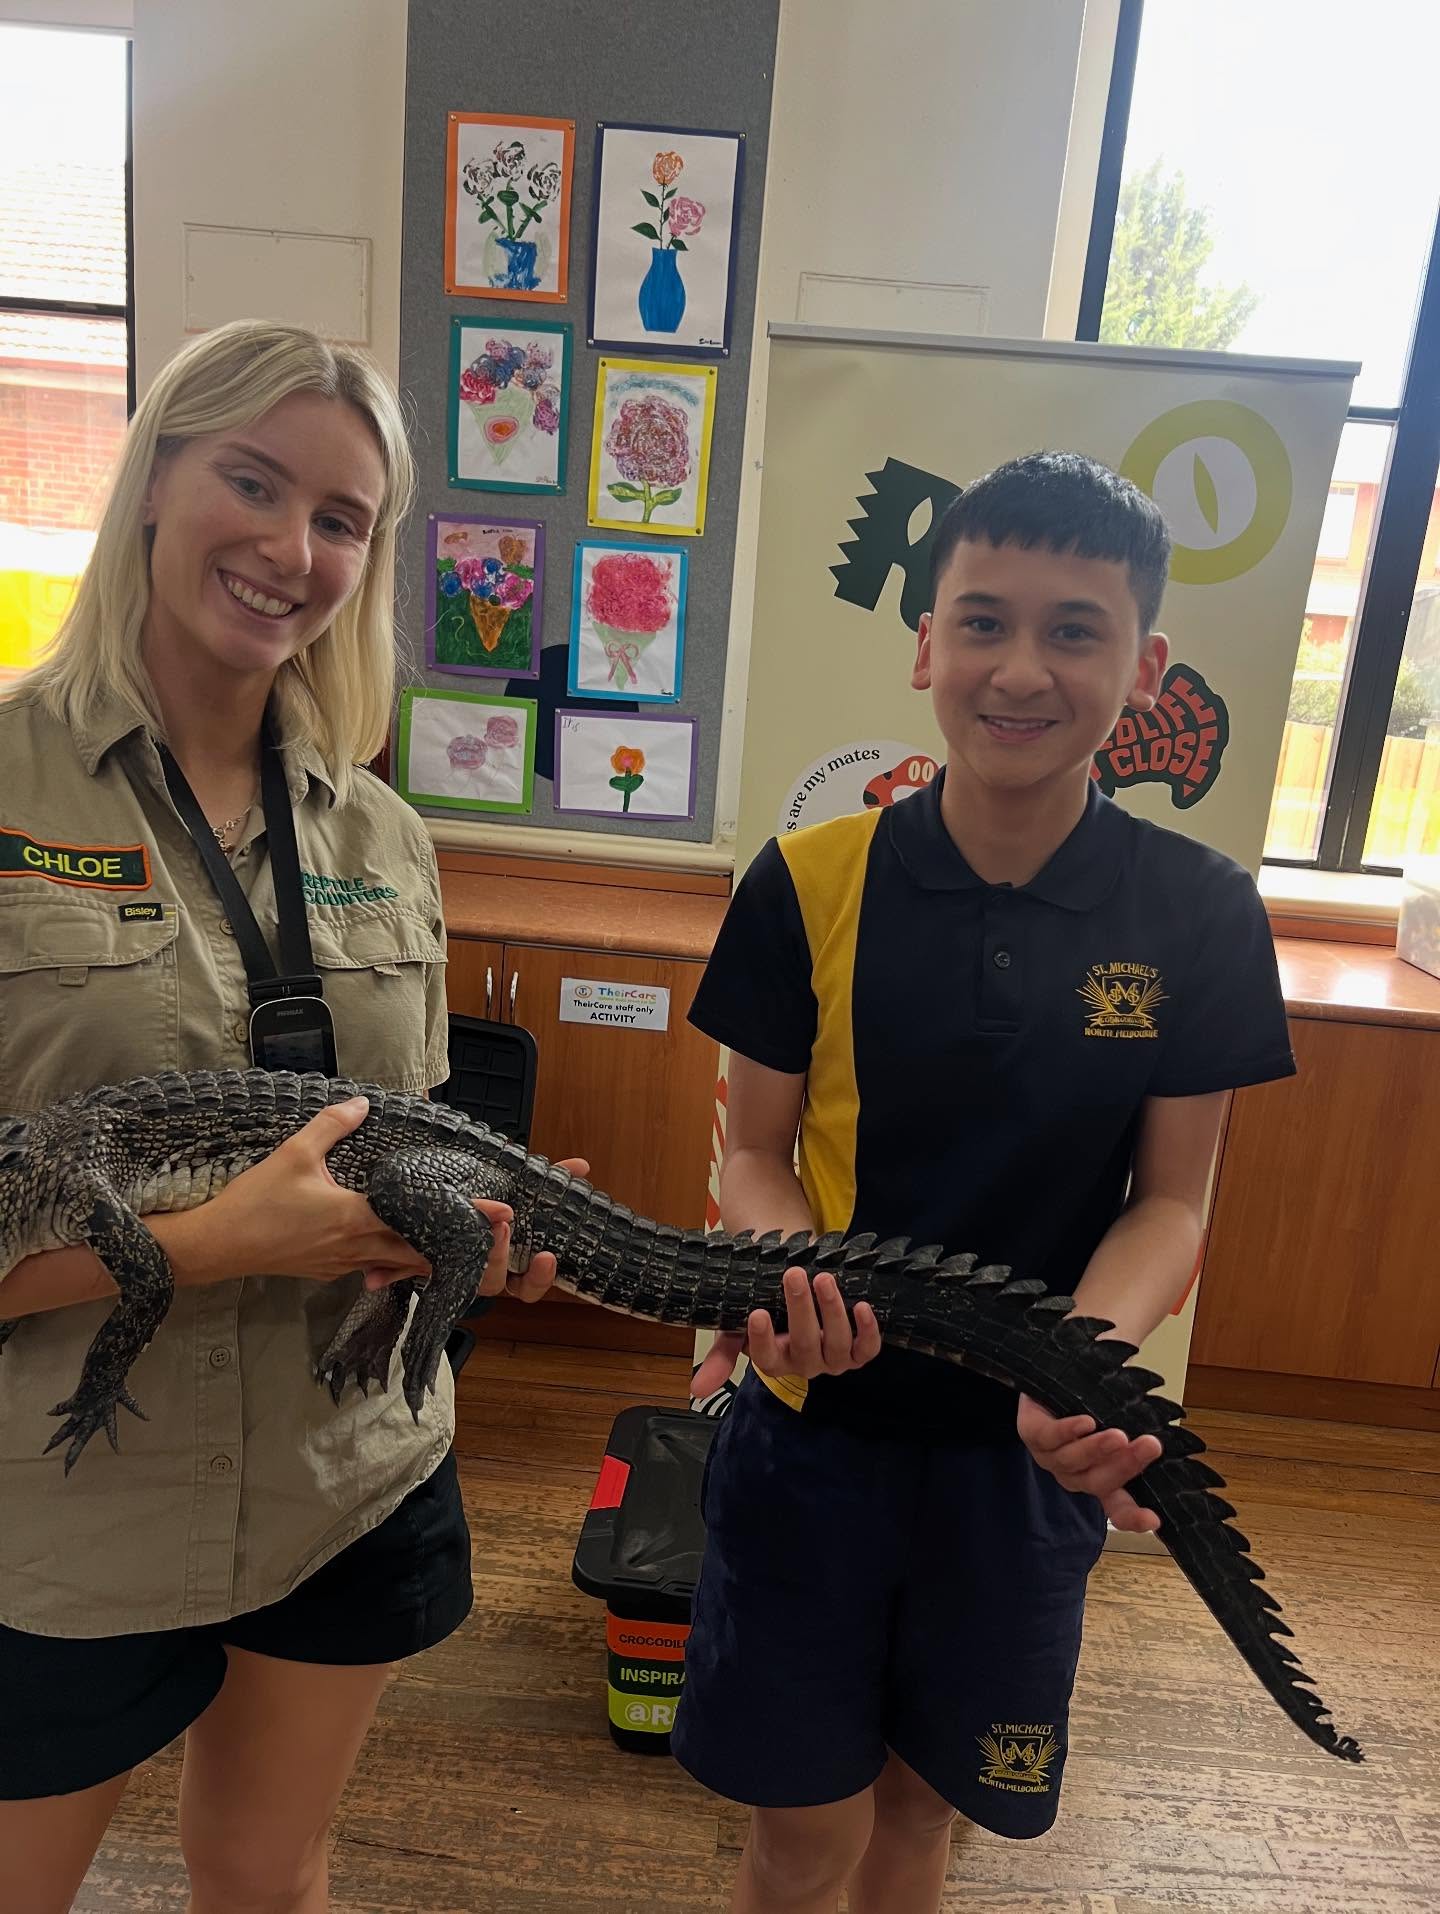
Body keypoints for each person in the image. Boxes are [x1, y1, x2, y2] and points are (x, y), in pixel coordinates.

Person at [0, 319, 585, 1914]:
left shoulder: (387, 833)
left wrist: (480, 1244)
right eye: (252, 482)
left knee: (268, 1873)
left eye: (343, 518)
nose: (292, 548)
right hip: (62, 1507)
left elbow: (415, 1139)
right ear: (152, 483)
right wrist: (205, 1245)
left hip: (351, 1469)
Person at [676, 453, 1297, 1914]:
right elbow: (754, 1151)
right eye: (983, 621)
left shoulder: (1201, 912)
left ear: (1143, 664)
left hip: (1025, 1464)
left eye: (1075, 630)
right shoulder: (805, 880)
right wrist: (787, 1277)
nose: (1022, 668)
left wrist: (1079, 1371)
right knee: (801, 1831)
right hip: (812, 1430)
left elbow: (1171, 1200)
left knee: (922, 1812)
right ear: (926, 642)